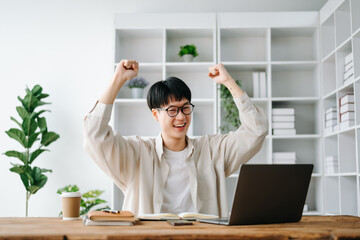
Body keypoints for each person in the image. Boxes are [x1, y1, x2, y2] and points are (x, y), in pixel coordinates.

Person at [84, 59, 268, 217]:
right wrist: (117, 80)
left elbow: (257, 130)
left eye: (185, 108)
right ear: (155, 114)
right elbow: (94, 133)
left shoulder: (212, 151)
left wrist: (228, 82)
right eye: (172, 110)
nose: (181, 117)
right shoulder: (136, 153)